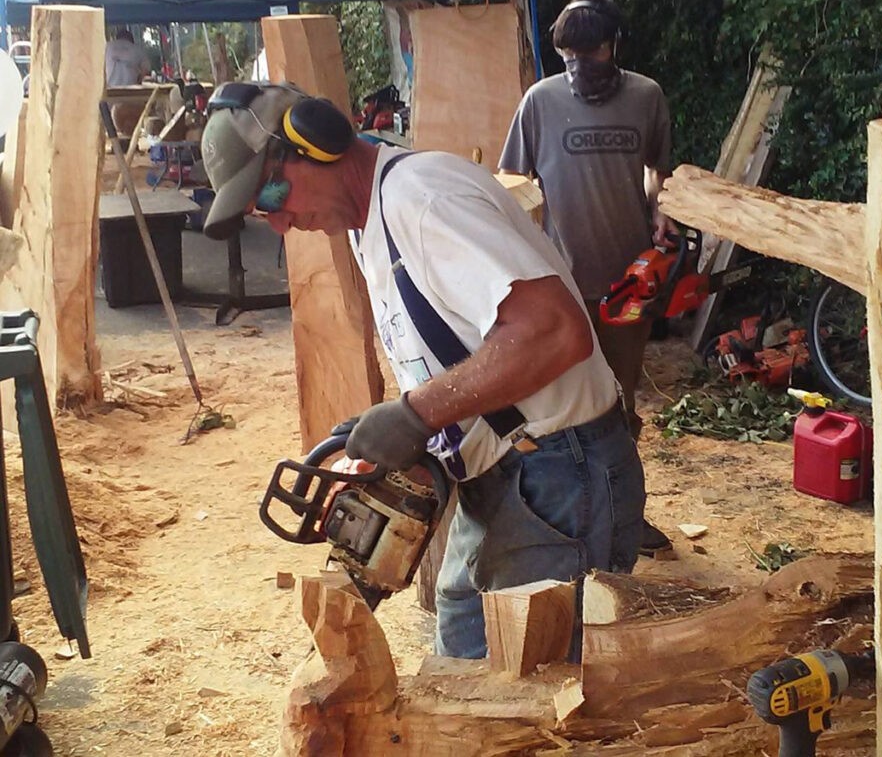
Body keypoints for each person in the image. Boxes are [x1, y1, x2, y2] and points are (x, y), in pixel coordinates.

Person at [199, 82, 646, 659]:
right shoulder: (370, 220)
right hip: (503, 474)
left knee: (531, 694)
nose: (280, 223)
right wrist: (407, 430)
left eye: (275, 192)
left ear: (318, 141)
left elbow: (556, 331)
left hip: (562, 472)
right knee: (461, 636)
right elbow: (456, 349)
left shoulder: (422, 199)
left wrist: (417, 412)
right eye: (263, 212)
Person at [498, 0, 675, 555]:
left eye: (591, 52)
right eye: (570, 56)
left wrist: (662, 214)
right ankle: (568, 518)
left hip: (629, 282)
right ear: (560, 54)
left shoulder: (646, 96)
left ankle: (627, 517)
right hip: (561, 285)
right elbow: (511, 179)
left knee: (620, 402)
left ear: (613, 46)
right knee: (562, 405)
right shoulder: (540, 102)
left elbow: (659, 174)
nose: (582, 66)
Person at [105, 29, 152, 138]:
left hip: (108, 93)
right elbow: (146, 73)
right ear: (131, 39)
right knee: (131, 123)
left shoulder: (106, 47)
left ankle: (113, 143)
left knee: (108, 126)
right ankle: (130, 140)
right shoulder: (137, 50)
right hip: (129, 95)